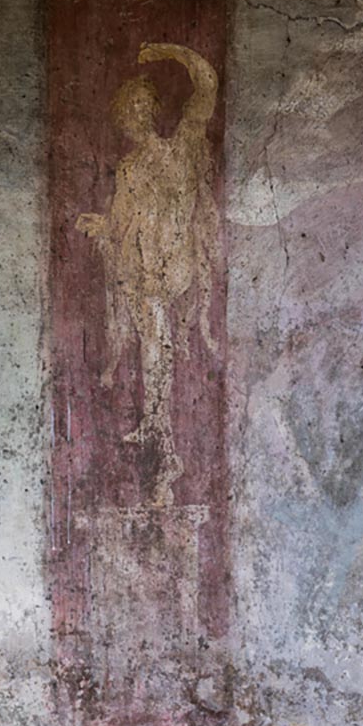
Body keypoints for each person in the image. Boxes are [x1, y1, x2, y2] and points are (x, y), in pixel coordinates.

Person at [77, 42, 220, 504]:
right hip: (140, 274)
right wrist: (97, 225)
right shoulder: (129, 167)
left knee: (157, 349)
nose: (136, 113)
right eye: (128, 108)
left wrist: (170, 51)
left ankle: (160, 437)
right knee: (153, 354)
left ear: (154, 111)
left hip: (171, 269)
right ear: (123, 118)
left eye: (143, 105)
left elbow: (207, 85)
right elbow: (119, 226)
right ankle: (162, 447)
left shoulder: (182, 148)